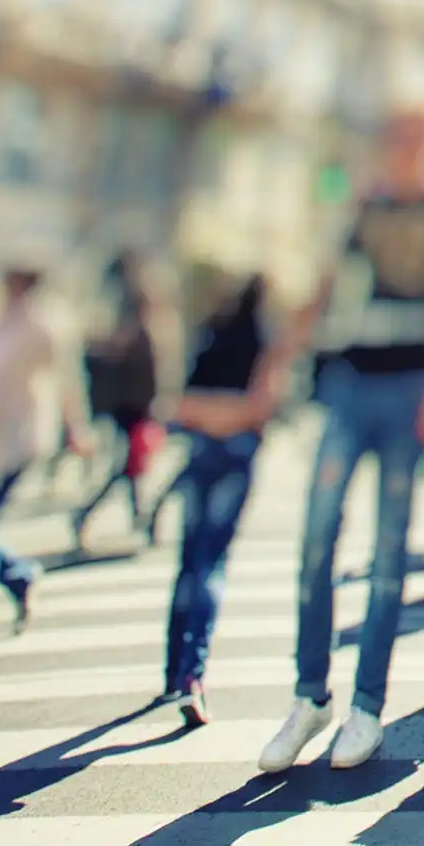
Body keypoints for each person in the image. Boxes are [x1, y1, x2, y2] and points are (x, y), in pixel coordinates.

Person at [254, 107, 424, 774]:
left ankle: (367, 705)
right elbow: (323, 292)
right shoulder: (361, 210)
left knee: (387, 550)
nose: (403, 150)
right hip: (349, 383)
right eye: (394, 139)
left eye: (414, 139)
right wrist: (276, 361)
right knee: (317, 536)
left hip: (409, 390)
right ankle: (309, 695)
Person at [0, 264, 90, 664]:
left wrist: (76, 427)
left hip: (16, 437)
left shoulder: (47, 322)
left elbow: (67, 379)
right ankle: (17, 575)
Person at [160, 275, 276, 728]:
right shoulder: (263, 340)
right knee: (212, 563)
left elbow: (180, 404)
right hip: (237, 453)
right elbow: (260, 406)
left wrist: (209, 416)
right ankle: (192, 672)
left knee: (188, 561)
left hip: (201, 451)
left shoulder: (207, 334)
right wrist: (235, 416)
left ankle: (173, 670)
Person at [74, 262, 178, 550]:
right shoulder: (147, 332)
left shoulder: (146, 332)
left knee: (130, 473)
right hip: (135, 412)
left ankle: (137, 520)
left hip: (138, 412)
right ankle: (138, 520)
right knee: (128, 473)